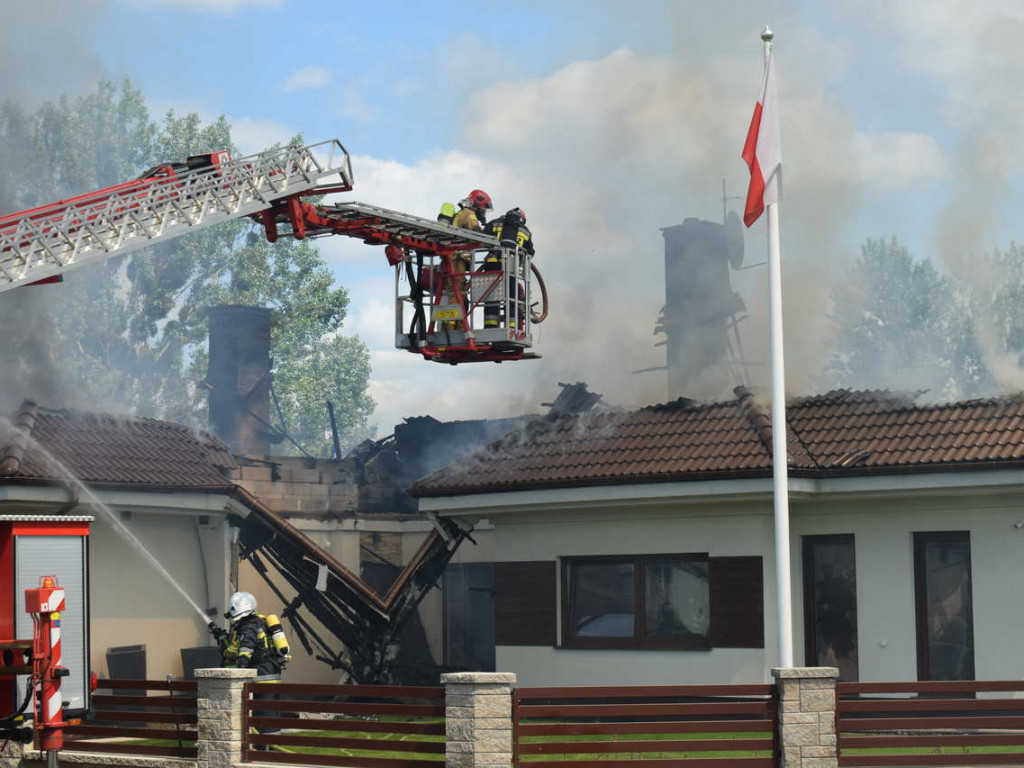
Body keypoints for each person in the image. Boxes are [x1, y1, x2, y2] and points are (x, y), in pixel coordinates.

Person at [208, 592, 288, 747]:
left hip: (262, 678)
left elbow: (246, 648)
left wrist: (241, 666)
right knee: (269, 715)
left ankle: (265, 750)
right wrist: (222, 638)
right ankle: (269, 748)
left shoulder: (250, 625)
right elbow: (233, 648)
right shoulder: (256, 622)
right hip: (270, 676)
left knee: (264, 716)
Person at [443, 189, 493, 329]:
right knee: (457, 294)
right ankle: (450, 329)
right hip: (456, 259)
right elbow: (477, 233)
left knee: (461, 295)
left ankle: (458, 327)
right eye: (483, 208)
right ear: (478, 205)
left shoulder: (461, 213)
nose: (483, 212)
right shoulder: (469, 214)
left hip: (455, 259)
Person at [481, 208, 534, 329]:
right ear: (521, 218)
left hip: (492, 266)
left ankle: (490, 327)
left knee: (491, 298)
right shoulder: (525, 231)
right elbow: (530, 253)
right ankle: (512, 326)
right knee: (512, 298)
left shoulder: (495, 223)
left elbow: (481, 239)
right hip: (511, 269)